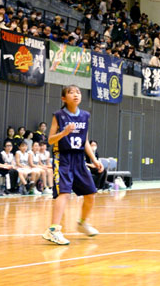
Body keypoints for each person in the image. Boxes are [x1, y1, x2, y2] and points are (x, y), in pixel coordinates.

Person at [42, 85, 104, 245]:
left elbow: (85, 141)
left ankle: (82, 223)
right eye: (71, 92)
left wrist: (94, 160)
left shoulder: (85, 116)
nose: (76, 94)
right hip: (63, 158)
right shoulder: (59, 115)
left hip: (79, 159)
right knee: (64, 193)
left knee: (90, 193)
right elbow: (50, 140)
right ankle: (53, 230)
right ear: (64, 98)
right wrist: (64, 133)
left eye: (78, 92)